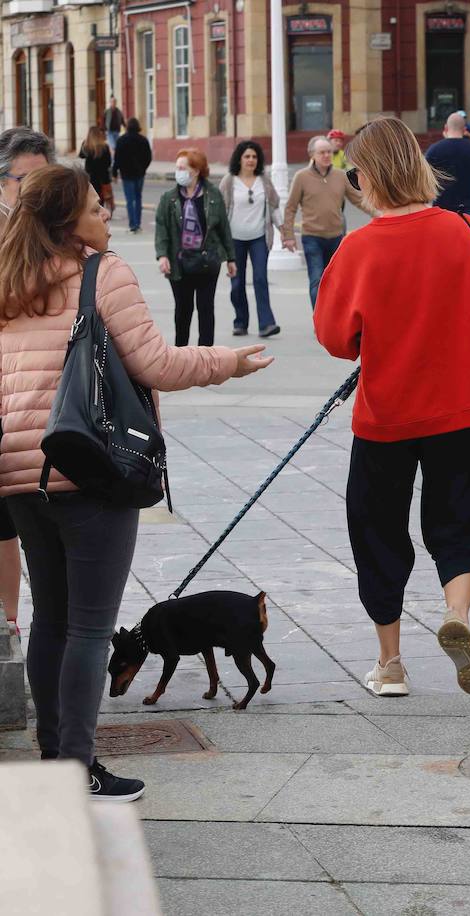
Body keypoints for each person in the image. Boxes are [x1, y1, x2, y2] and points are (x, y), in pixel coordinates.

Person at [0, 164, 271, 800]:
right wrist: (225, 363)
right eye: (96, 207)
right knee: (92, 628)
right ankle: (77, 766)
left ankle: (52, 759)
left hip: (18, 473)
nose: (106, 215)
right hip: (91, 466)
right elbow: (155, 362)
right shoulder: (102, 271)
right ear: (71, 221)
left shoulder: (8, 279)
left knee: (52, 621)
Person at [314, 117, 470, 699]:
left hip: (384, 416)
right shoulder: (466, 233)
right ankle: (457, 614)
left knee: (377, 533)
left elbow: (335, 339)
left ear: (372, 176)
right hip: (460, 410)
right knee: (458, 521)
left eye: (355, 173)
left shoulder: (358, 248)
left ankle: (391, 663)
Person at [0, 126, 53, 638]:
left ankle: (14, 626)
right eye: (25, 181)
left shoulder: (57, 234)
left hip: (39, 405)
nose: (34, 193)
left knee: (23, 523)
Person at [154, 148, 235, 346]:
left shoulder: (213, 194)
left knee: (206, 308)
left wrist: (231, 259)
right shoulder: (169, 198)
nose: (178, 171)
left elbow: (223, 227)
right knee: (183, 309)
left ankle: (205, 355)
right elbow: (162, 228)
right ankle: (181, 354)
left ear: (196, 170)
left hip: (208, 260)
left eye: (183, 168)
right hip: (179, 262)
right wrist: (162, 256)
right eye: (177, 167)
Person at [282, 135, 371, 307]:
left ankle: (334, 321)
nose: (326, 156)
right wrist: (288, 235)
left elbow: (358, 200)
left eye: (329, 152)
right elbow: (291, 207)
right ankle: (319, 320)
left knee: (336, 283)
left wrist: (379, 213)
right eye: (322, 152)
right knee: (317, 280)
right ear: (312, 154)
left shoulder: (340, 176)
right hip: (312, 237)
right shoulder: (301, 177)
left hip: (335, 237)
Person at [220, 140, 281, 338]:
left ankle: (266, 324)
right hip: (234, 240)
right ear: (239, 158)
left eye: (254, 157)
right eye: (247, 156)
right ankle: (240, 322)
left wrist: (285, 232)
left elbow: (273, 207)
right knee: (237, 283)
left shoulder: (264, 180)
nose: (251, 160)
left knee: (260, 279)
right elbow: (218, 212)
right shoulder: (229, 181)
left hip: (259, 238)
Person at [425, 111, 470, 216]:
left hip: (441, 209)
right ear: (464, 130)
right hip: (467, 210)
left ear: (446, 128)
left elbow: (424, 182)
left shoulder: (434, 150)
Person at [113, 118, 152, 234]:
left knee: (130, 200)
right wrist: (143, 168)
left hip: (126, 174)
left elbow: (117, 159)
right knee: (138, 197)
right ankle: (138, 224)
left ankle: (132, 225)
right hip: (139, 173)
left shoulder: (121, 140)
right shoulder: (143, 140)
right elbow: (148, 157)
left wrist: (115, 173)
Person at [77, 127, 114, 215]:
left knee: (91, 197)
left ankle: (94, 214)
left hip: (90, 177)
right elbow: (108, 163)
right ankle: (102, 213)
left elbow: (81, 156)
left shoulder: (86, 145)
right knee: (103, 197)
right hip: (103, 177)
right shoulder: (104, 146)